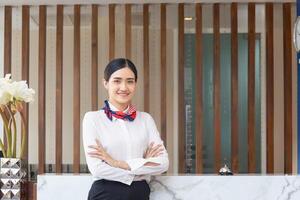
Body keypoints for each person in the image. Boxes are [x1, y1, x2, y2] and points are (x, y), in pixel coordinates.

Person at [83, 58, 169, 200]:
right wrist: (140, 169)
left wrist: (118, 164)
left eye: (130, 81)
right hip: (105, 193)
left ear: (135, 84)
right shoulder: (92, 119)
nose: (124, 87)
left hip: (139, 194)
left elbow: (163, 163)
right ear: (105, 83)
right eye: (117, 81)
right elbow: (97, 168)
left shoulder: (146, 119)